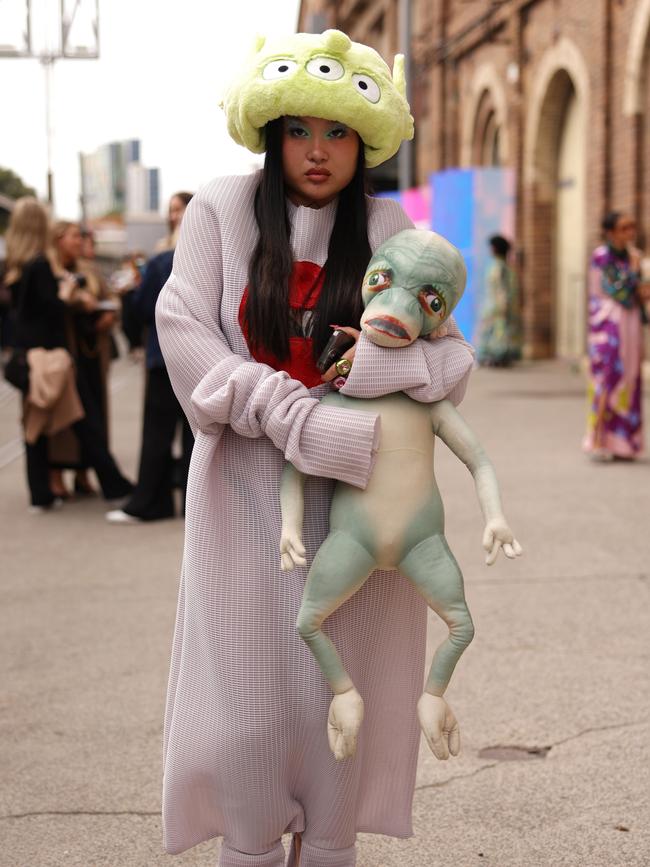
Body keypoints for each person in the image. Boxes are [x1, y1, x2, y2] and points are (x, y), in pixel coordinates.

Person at [156, 30, 475, 867]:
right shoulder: (222, 210)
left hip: (360, 512)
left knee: (344, 726)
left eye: (336, 131)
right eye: (298, 129)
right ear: (270, 133)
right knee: (252, 724)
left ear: (365, 137)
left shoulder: (382, 221)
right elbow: (186, 338)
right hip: (243, 503)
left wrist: (363, 381)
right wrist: (304, 421)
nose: (318, 150)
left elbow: (449, 358)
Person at [5, 198, 133, 510]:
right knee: (83, 420)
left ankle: (43, 493)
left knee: (36, 424)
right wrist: (66, 294)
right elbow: (51, 311)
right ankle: (113, 483)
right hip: (51, 356)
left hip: (27, 356)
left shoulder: (15, 267)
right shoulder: (40, 265)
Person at [106, 205, 194, 524]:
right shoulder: (216, 258)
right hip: (202, 358)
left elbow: (143, 308)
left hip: (164, 356)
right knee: (195, 433)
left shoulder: (161, 262)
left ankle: (150, 501)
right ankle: (192, 503)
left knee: (157, 431)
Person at [48, 221, 119, 496]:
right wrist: (80, 299)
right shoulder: (50, 270)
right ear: (59, 239)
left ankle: (83, 474)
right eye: (75, 237)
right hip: (65, 352)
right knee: (64, 417)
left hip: (92, 350)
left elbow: (110, 296)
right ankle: (56, 476)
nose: (80, 242)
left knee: (95, 413)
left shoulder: (88, 269)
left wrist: (111, 314)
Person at [584, 211, 649, 460]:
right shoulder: (602, 256)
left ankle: (626, 443)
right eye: (624, 227)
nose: (630, 232)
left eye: (632, 226)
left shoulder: (635, 257)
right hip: (607, 325)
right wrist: (635, 274)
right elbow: (615, 289)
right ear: (610, 232)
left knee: (630, 378)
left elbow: (640, 292)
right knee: (607, 378)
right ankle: (601, 441)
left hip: (630, 323)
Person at [476, 234, 522, 367]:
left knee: (498, 333)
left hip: (497, 308)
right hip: (496, 307)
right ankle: (495, 357)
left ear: (495, 249)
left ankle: (497, 357)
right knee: (497, 332)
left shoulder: (500, 268)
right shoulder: (505, 267)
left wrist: (502, 307)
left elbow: (502, 290)